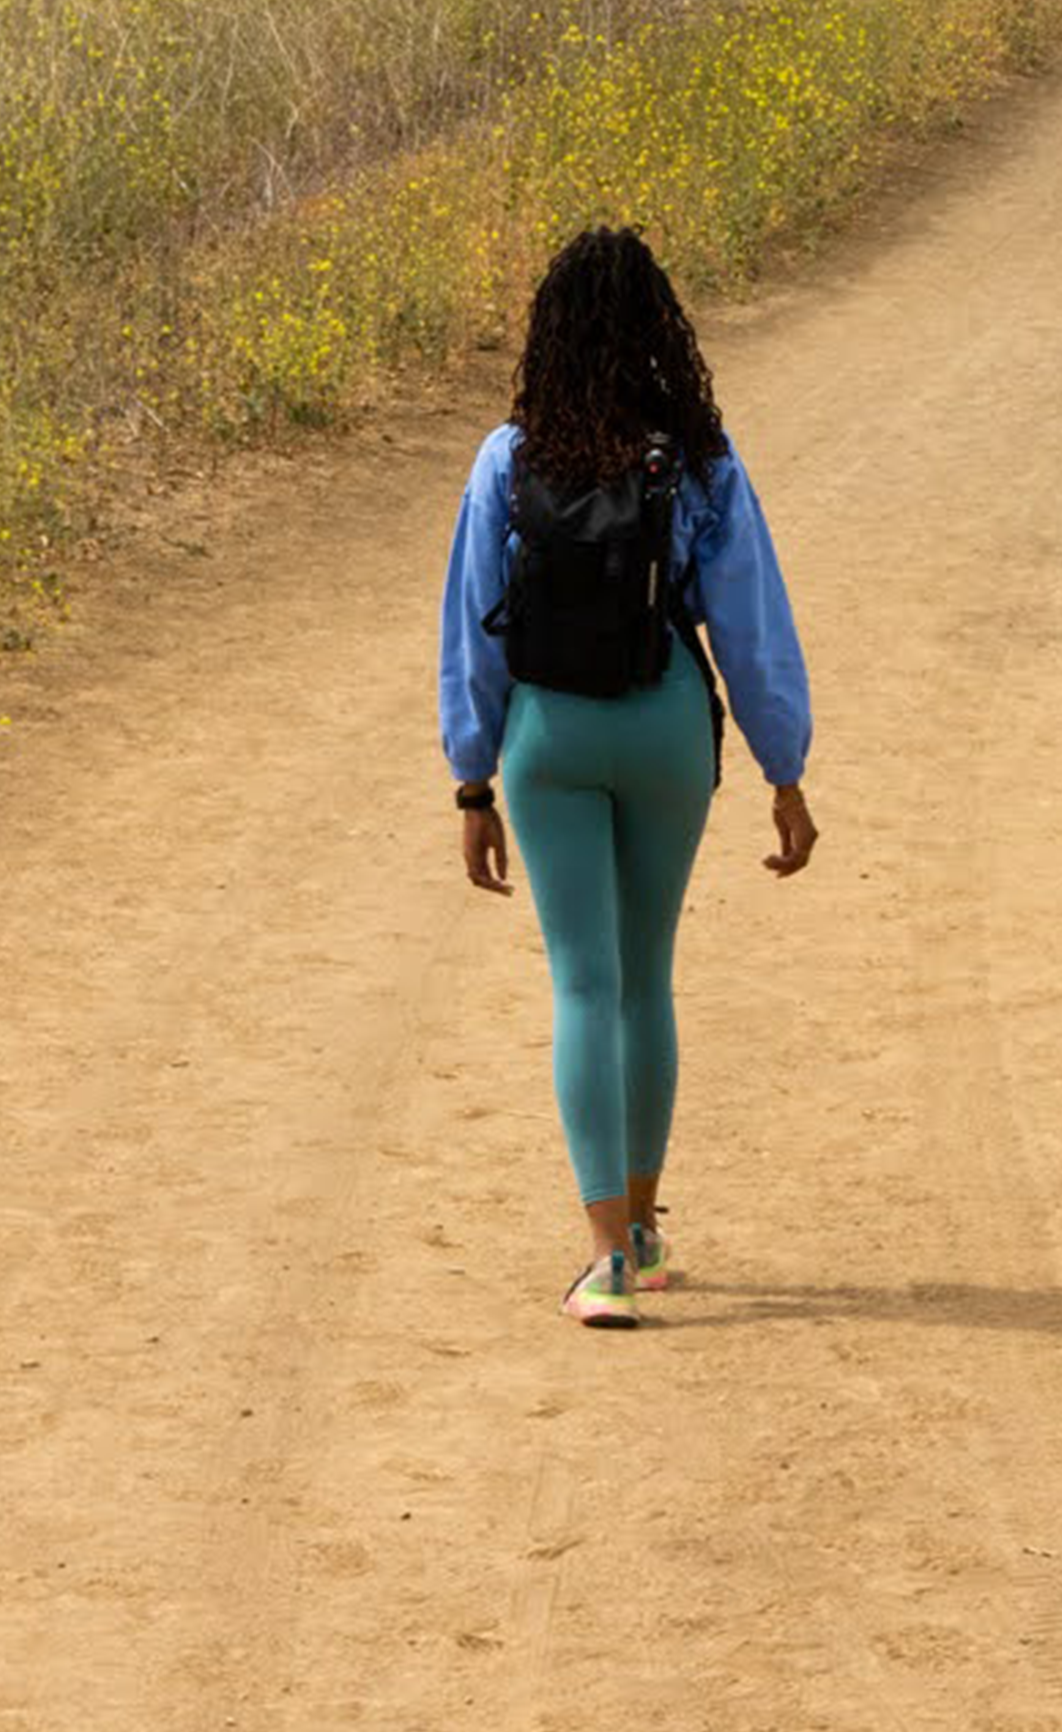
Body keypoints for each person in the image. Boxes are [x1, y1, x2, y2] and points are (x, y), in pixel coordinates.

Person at [438, 225, 818, 1328]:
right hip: (662, 725)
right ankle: (645, 1237)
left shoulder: (508, 460)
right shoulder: (697, 463)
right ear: (662, 333)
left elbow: (474, 636)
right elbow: (750, 629)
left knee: (583, 986)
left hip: (549, 737)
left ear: (547, 337)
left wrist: (474, 784)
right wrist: (784, 774)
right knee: (646, 977)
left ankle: (603, 1258)